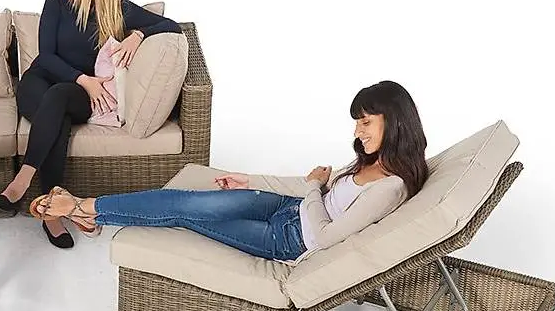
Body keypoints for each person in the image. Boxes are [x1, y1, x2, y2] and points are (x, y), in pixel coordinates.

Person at [29, 81, 430, 262]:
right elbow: (307, 187)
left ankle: (83, 208)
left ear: (394, 122)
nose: (358, 132)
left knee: (183, 215)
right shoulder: (372, 162)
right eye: (357, 123)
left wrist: (313, 188)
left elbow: (325, 236)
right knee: (184, 201)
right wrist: (248, 179)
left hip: (287, 240)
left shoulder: (390, 188)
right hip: (285, 208)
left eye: (366, 122)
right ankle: (87, 211)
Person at [0, 0, 183, 248]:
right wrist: (85, 80)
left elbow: (171, 26)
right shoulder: (56, 2)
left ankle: (25, 182)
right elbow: (46, 56)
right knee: (57, 115)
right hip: (40, 81)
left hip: (72, 94)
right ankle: (50, 208)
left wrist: (138, 34)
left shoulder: (118, 9)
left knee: (59, 101)